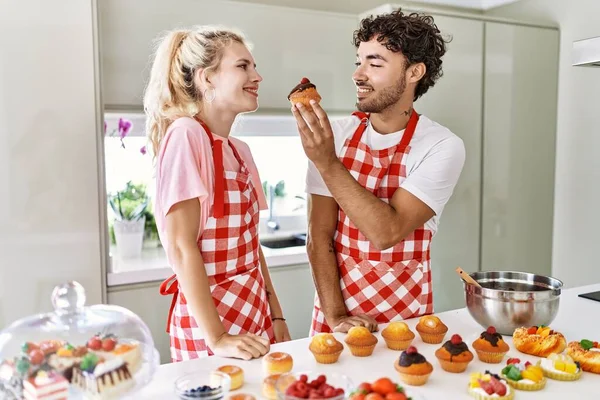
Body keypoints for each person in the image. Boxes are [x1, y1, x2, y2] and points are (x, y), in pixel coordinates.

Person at [291, 9, 466, 335]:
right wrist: (335, 317)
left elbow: (386, 231)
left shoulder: (441, 145)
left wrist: (328, 162)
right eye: (358, 62)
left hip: (405, 324)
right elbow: (319, 237)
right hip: (336, 320)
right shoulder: (337, 134)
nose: (358, 74)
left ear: (414, 72)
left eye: (374, 64)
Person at [144, 26, 291, 361]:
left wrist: (276, 314)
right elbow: (182, 247)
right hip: (209, 322)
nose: (258, 76)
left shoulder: (239, 150)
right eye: (243, 66)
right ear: (207, 77)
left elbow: (252, 246)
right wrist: (218, 337)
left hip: (254, 309)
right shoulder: (185, 135)